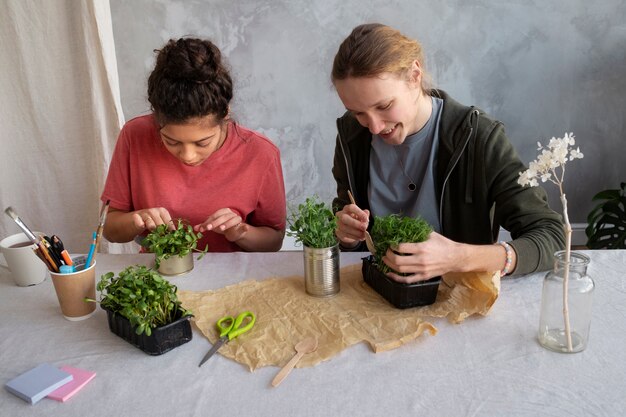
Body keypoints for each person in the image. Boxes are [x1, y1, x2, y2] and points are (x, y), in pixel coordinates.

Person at [331, 23, 564, 282]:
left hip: (457, 302)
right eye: (358, 112)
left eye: (384, 105)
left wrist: (459, 257)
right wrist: (346, 233)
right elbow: (347, 220)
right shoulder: (351, 137)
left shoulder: (479, 138)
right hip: (376, 295)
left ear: (414, 76)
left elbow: (552, 237)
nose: (373, 126)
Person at [101, 38, 286, 252]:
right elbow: (110, 228)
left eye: (202, 142)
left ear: (225, 113)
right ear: (156, 118)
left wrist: (241, 232)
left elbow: (274, 241)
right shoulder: (134, 136)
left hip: (235, 279)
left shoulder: (261, 153)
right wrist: (136, 219)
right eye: (171, 141)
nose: (188, 155)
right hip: (158, 274)